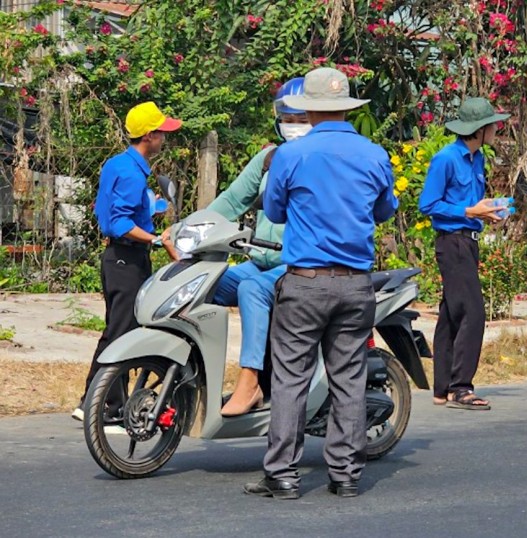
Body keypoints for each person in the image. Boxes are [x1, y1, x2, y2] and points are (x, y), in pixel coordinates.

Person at [243, 67, 397, 500]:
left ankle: (284, 476)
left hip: (305, 283)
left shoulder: (291, 156)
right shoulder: (374, 154)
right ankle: (346, 474)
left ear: (307, 109)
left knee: (291, 378)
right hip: (355, 284)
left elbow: (273, 212)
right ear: (346, 107)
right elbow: (385, 210)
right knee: (348, 377)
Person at [205, 78, 311, 417]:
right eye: (288, 119)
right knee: (203, 281)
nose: (293, 126)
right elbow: (232, 201)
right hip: (259, 261)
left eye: (301, 119)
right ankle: (189, 372)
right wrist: (187, 230)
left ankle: (250, 382)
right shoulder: (268, 158)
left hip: (294, 265)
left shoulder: (316, 161)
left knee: (251, 288)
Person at [73, 102, 181, 424]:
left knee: (119, 331)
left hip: (115, 259)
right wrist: (156, 239)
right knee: (120, 334)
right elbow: (119, 223)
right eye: (161, 132)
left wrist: (153, 209)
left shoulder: (118, 165)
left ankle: (105, 404)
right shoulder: (133, 174)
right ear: (149, 136)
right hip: (127, 259)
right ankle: (100, 405)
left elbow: (113, 210)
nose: (164, 137)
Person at [418, 97, 510, 411]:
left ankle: (442, 388)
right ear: (478, 129)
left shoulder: (478, 158)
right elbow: (428, 205)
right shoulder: (446, 159)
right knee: (473, 312)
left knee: (451, 314)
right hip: (451, 242)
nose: (497, 128)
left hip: (469, 242)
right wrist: (469, 211)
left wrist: (488, 212)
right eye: (492, 124)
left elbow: (475, 206)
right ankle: (461, 387)